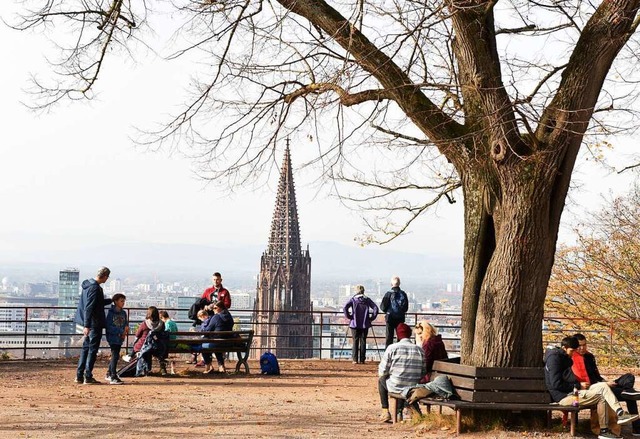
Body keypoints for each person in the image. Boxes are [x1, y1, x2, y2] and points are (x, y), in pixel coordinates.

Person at [544, 336, 638, 439]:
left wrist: (604, 382)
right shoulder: (554, 359)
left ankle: (620, 413)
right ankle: (604, 431)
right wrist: (578, 385)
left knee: (605, 385)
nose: (575, 352)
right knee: (602, 396)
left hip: (576, 391)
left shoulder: (567, 357)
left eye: (583, 345)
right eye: (573, 350)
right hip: (564, 396)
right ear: (564, 348)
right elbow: (556, 384)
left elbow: (570, 378)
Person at [572, 333, 640, 436]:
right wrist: (604, 384)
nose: (582, 348)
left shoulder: (589, 357)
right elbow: (588, 383)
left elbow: (597, 376)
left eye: (584, 345)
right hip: (596, 388)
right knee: (630, 396)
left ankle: (627, 390)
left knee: (629, 377)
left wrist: (607, 381)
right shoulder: (573, 360)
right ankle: (637, 428)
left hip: (602, 384)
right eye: (579, 346)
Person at [378, 323, 425, 423]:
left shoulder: (392, 348)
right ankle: (400, 411)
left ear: (398, 335)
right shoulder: (420, 350)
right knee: (403, 382)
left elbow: (382, 371)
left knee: (382, 380)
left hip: (397, 385)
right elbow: (423, 371)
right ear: (409, 335)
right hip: (413, 386)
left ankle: (385, 411)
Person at [74, 266, 113, 384]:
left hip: (88, 323)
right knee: (92, 350)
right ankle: (88, 376)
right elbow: (90, 307)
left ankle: (79, 375)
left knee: (86, 349)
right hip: (94, 324)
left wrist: (110, 300)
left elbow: (95, 303)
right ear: (105, 276)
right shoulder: (95, 288)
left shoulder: (88, 286)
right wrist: (87, 325)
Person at [344, 285, 379, 364]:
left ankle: (355, 359)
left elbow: (345, 307)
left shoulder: (353, 300)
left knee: (355, 341)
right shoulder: (367, 300)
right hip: (365, 323)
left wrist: (349, 316)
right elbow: (375, 308)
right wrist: (371, 318)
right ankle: (362, 359)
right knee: (363, 341)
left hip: (354, 323)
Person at [132, 306, 168, 376]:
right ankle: (159, 369)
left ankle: (146, 369)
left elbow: (137, 335)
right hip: (157, 347)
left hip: (144, 346)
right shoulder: (162, 324)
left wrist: (134, 343)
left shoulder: (144, 324)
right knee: (150, 349)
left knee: (145, 349)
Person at [200, 301, 234, 374]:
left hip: (217, 342)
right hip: (228, 342)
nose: (213, 310)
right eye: (213, 308)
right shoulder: (229, 316)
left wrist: (203, 325)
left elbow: (207, 330)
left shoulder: (216, 317)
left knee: (203, 346)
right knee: (217, 344)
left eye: (215, 308)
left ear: (220, 308)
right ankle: (221, 366)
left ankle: (208, 366)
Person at [104, 293, 128, 385]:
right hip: (113, 337)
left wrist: (124, 331)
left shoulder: (123, 313)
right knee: (115, 355)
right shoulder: (110, 313)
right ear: (116, 301)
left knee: (116, 355)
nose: (123, 303)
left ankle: (110, 373)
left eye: (123, 301)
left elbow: (125, 323)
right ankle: (113, 375)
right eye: (121, 301)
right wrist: (120, 331)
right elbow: (109, 326)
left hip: (120, 337)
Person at [380, 276, 408, 347]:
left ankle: (389, 354)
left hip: (390, 318)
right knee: (400, 337)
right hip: (400, 318)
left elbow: (382, 307)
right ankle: (400, 353)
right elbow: (406, 308)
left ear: (391, 284)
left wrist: (387, 311)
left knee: (389, 338)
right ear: (399, 284)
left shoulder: (388, 294)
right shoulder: (403, 294)